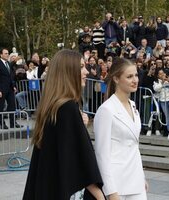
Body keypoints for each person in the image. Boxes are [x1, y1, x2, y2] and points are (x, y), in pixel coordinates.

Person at [22, 49, 105, 200]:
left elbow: (64, 149)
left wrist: (79, 126)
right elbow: (79, 159)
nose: (86, 71)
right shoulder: (68, 108)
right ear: (68, 72)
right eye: (80, 67)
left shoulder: (52, 106)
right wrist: (100, 197)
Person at [94, 58, 148, 200]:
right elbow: (101, 154)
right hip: (117, 184)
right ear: (116, 79)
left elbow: (134, 147)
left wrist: (141, 177)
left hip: (136, 181)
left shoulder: (134, 106)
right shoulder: (106, 110)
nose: (135, 80)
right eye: (129, 76)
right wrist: (111, 191)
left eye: (136, 75)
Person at [0, 48, 23, 129]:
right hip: (1, 89)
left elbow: (10, 76)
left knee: (12, 106)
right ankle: (2, 124)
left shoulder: (8, 63)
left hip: (10, 89)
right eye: (5, 53)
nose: (7, 54)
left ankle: (13, 123)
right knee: (1, 107)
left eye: (8, 53)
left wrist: (13, 86)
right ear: (1, 55)